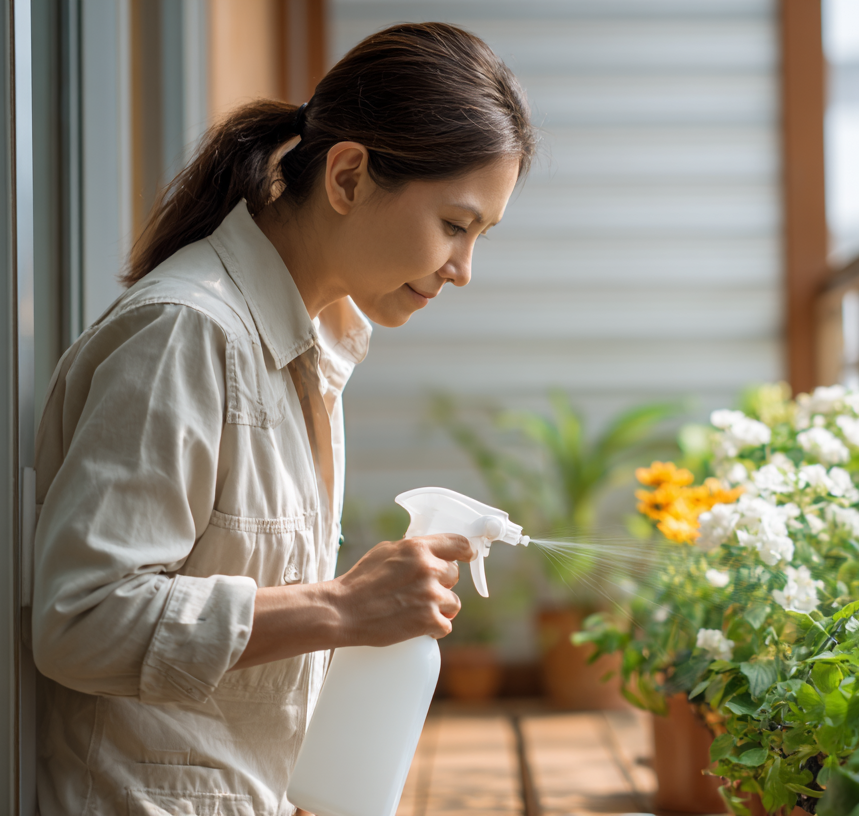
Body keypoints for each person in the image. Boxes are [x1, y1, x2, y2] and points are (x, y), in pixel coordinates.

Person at [30, 23, 536, 815]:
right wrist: (340, 608)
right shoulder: (187, 333)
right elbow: (81, 620)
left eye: (480, 235)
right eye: (453, 225)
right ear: (348, 177)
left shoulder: (317, 346)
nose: (463, 270)